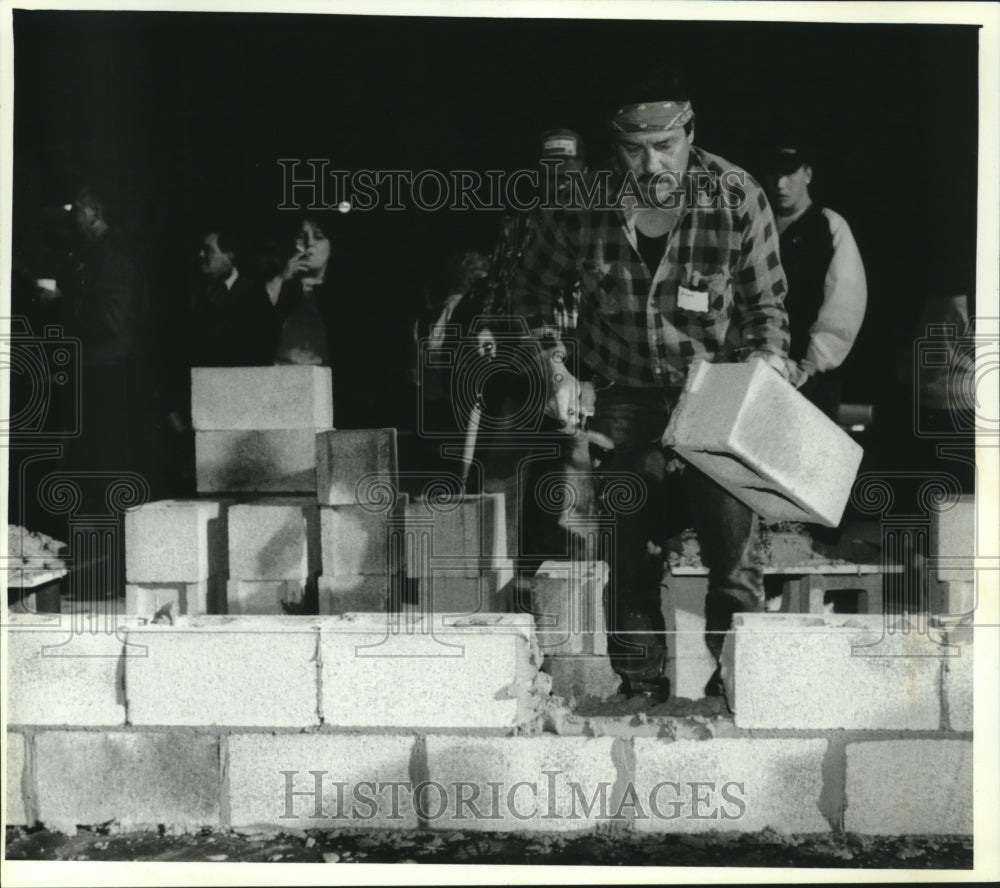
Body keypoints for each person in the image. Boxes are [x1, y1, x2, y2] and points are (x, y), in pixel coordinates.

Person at [510, 75, 793, 702]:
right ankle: (639, 685)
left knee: (733, 549)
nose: (651, 163)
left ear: (690, 136)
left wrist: (770, 362)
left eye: (665, 146)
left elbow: (766, 304)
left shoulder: (736, 194)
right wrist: (556, 368)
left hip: (715, 390)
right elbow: (528, 291)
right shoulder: (583, 204)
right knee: (631, 550)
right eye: (635, 151)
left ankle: (737, 686)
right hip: (627, 393)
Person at [763, 145, 867, 421]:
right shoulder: (758, 225)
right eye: (774, 174)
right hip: (760, 370)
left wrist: (811, 365)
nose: (780, 184)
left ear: (807, 174)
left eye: (790, 173)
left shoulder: (828, 225)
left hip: (809, 378)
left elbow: (844, 302)